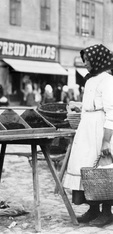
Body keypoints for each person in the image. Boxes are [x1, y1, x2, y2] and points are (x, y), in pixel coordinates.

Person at [63, 44, 113, 227]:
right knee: (86, 167)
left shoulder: (108, 80)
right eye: (84, 60)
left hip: (101, 129)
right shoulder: (90, 80)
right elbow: (88, 105)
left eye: (88, 60)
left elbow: (111, 111)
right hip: (87, 128)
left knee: (102, 170)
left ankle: (107, 212)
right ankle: (93, 209)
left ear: (98, 59)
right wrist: (79, 106)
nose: (85, 63)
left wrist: (106, 140)